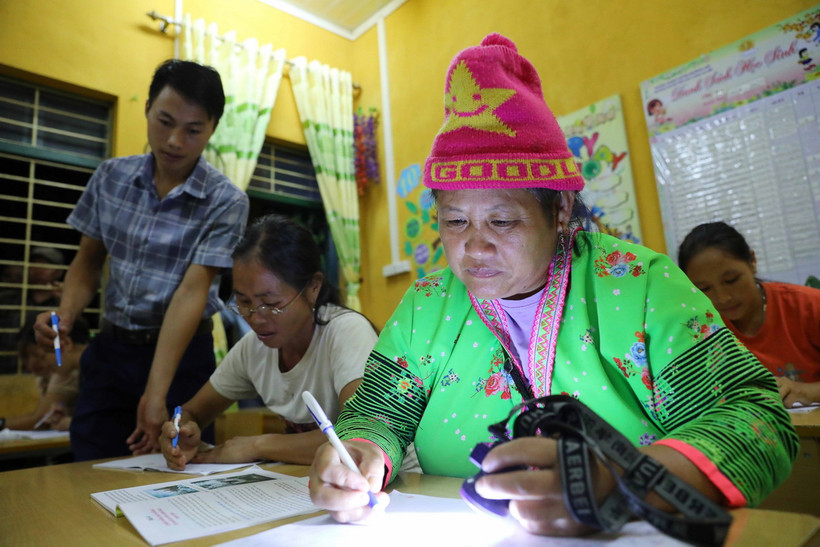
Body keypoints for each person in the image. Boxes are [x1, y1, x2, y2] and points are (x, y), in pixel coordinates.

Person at [308, 34, 797, 538]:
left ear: (560, 210)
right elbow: (378, 414)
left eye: (501, 221)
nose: (473, 249)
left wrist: (621, 480)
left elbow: (756, 418)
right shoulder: (427, 304)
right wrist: (358, 455)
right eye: (455, 222)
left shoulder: (639, 286)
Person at [33, 59, 250, 461]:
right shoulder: (110, 177)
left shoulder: (226, 201)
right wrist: (64, 314)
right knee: (90, 464)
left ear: (212, 130)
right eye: (164, 121)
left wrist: (157, 393)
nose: (174, 141)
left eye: (193, 130)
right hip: (112, 350)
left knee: (178, 467)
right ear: (148, 108)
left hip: (183, 357)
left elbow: (192, 291)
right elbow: (87, 262)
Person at [159, 215, 378, 469]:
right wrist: (181, 431)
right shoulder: (253, 348)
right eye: (243, 302)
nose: (256, 318)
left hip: (394, 486)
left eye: (272, 304)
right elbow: (192, 412)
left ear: (313, 287)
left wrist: (257, 446)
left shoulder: (345, 332)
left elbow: (361, 437)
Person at [678, 221, 820, 406]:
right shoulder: (701, 330)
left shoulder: (809, 306)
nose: (723, 298)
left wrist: (804, 391)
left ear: (752, 262)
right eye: (704, 288)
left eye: (731, 280)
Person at [0, 317, 89, 431]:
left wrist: (75, 423)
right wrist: (70, 413)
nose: (44, 364)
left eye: (41, 355)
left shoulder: (102, 368)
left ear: (66, 344)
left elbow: (112, 420)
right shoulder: (85, 369)